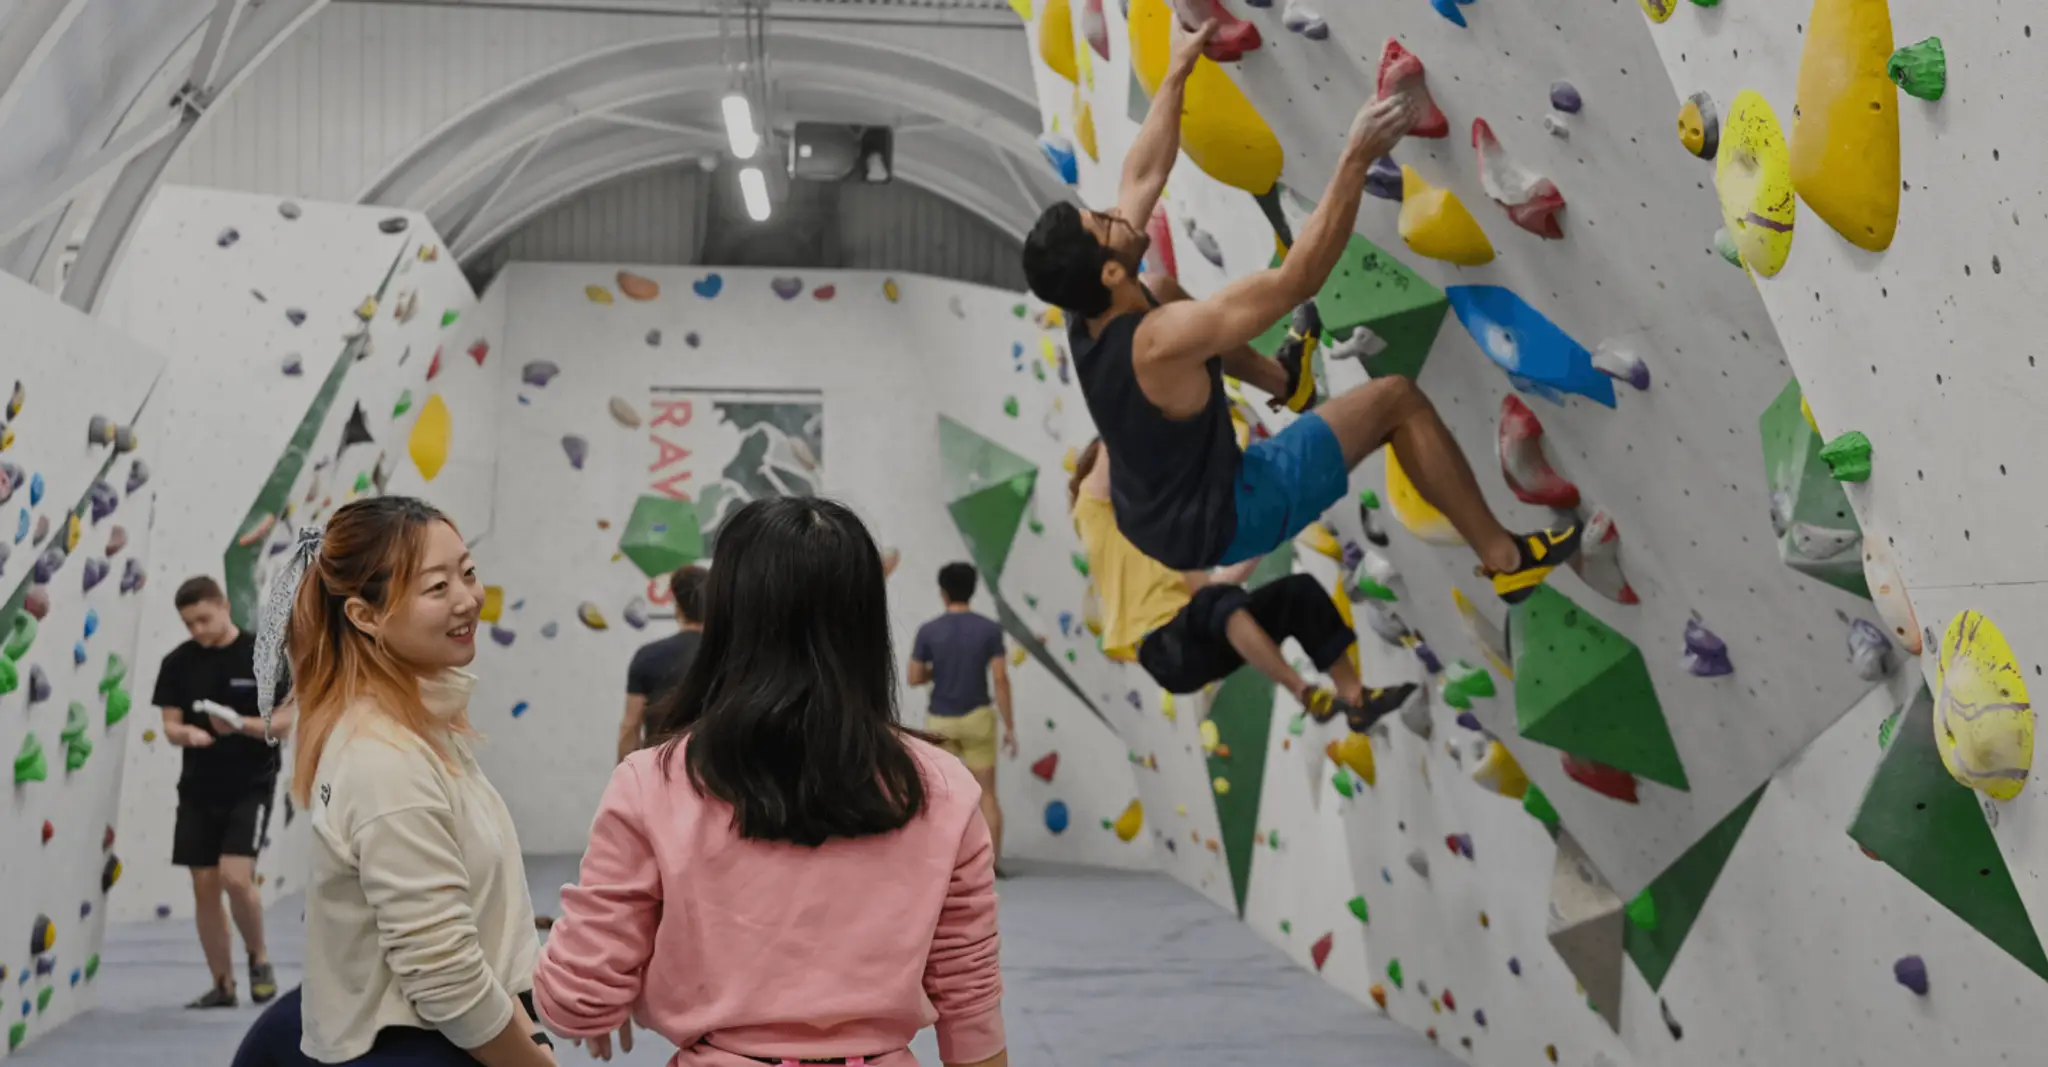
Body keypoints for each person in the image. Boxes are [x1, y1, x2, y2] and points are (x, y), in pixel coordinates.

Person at [1020, 18, 1581, 603]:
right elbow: (1298, 279)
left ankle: (1285, 377)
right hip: (1224, 519)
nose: (1115, 212)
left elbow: (1143, 174)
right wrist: (1356, 158)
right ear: (1109, 271)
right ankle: (1505, 560)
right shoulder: (1159, 342)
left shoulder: (1086, 296)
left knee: (1160, 281)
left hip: (1155, 505)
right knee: (1397, 400)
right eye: (1103, 223)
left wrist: (1175, 72)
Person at [533, 497, 1007, 1067]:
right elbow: (972, 1013)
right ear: (866, 619)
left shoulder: (651, 781)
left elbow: (575, 1002)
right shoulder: (942, 787)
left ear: (729, 616)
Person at [232, 497, 555, 1067]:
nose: (467, 599)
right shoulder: (385, 759)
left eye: (469, 572)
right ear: (365, 615)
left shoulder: (417, 725)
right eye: (437, 588)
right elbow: (446, 979)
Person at [1071, 439, 1417, 729]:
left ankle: (1355, 698)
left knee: (1298, 594)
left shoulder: (1158, 542)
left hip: (1197, 639)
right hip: (1162, 649)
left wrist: (1275, 532)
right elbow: (1113, 440)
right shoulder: (1092, 512)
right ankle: (1305, 694)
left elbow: (1211, 586)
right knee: (1218, 605)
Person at [152, 575, 286, 1009]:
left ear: (224, 606)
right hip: (198, 788)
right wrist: (185, 734)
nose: (197, 631)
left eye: (203, 620)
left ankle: (259, 956)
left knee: (235, 877)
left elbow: (284, 723)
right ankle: (222, 984)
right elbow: (169, 724)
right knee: (205, 885)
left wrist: (242, 725)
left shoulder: (262, 657)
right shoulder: (177, 663)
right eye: (189, 623)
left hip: (251, 784)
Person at [909, 563, 1016, 874]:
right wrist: (1010, 726)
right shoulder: (989, 630)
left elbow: (914, 677)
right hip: (978, 719)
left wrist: (937, 670)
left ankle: (941, 865)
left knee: (941, 798)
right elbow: (1000, 679)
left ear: (943, 593)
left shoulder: (928, 631)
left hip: (940, 721)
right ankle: (992, 865)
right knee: (988, 796)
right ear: (973, 590)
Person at [619, 565, 708, 762]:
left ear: (677, 606)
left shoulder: (648, 656)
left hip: (659, 770)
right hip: (712, 774)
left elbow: (631, 726)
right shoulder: (729, 655)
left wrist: (624, 777)